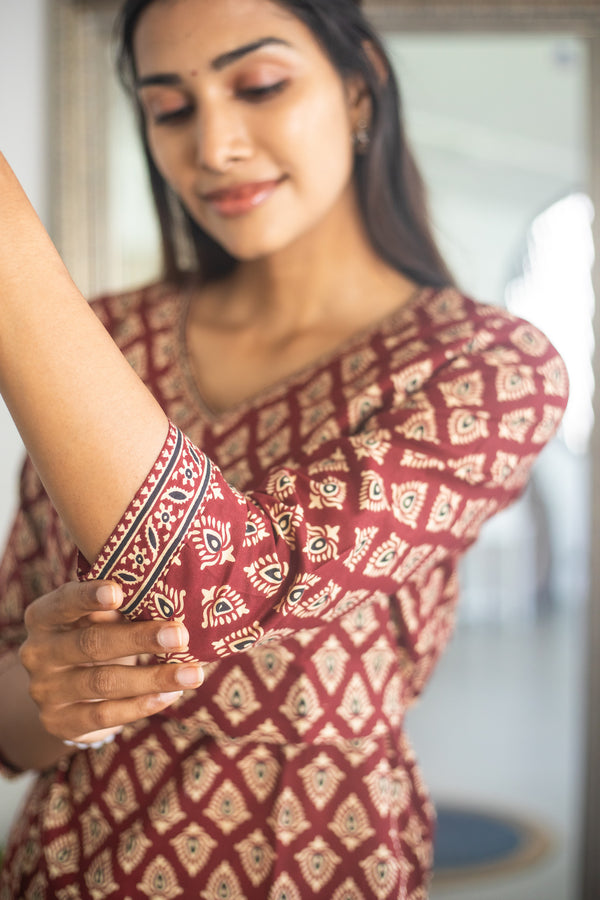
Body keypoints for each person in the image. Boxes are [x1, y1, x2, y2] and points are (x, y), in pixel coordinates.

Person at [0, 0, 569, 897]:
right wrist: (55, 696)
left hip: (315, 863)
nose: (215, 146)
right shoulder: (104, 345)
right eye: (170, 107)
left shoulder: (486, 368)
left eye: (259, 85)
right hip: (74, 864)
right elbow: (10, 705)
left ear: (358, 89)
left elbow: (222, 588)